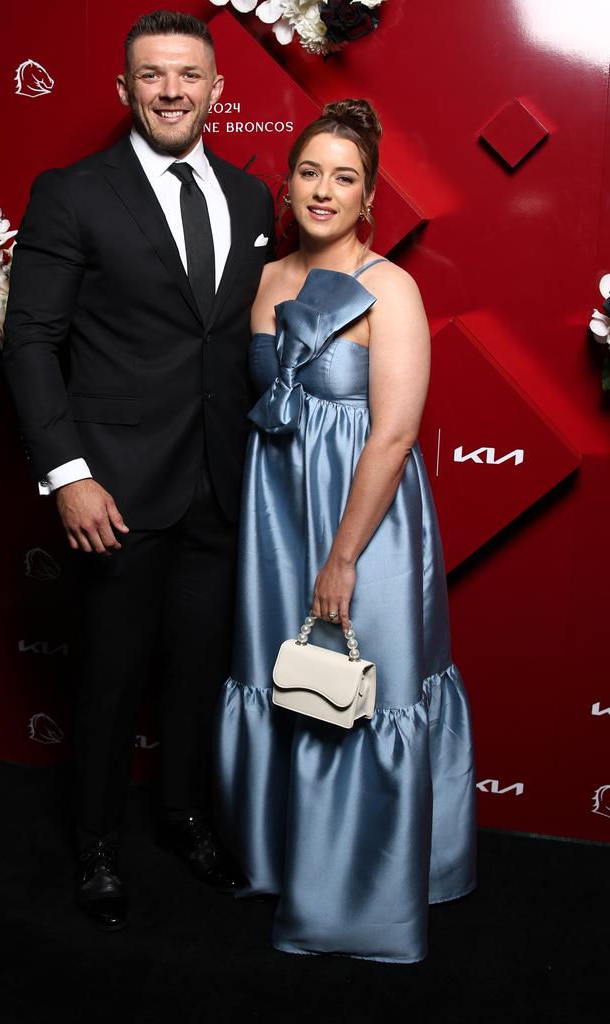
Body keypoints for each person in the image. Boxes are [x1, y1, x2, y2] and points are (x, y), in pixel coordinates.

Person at [3, 10, 276, 931]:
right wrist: (68, 474)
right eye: (152, 76)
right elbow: (31, 341)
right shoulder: (73, 192)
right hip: (113, 486)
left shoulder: (249, 200)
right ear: (125, 91)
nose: (171, 91)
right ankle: (98, 844)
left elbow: (233, 340)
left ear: (215, 93)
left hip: (220, 480)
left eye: (188, 76)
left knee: (200, 668)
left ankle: (185, 818)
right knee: (114, 675)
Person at [214, 99, 476, 962]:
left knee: (362, 692)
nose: (324, 190)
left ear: (368, 199)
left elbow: (395, 431)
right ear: (287, 184)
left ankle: (358, 899)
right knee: (285, 680)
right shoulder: (261, 281)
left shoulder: (390, 287)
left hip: (364, 521)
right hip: (275, 511)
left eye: (346, 177)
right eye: (311, 172)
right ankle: (283, 859)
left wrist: (342, 557)